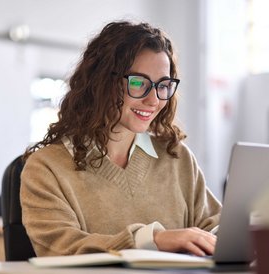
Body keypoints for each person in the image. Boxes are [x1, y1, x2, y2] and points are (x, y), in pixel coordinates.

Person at [20, 20, 221, 258]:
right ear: (101, 82)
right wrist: (152, 240)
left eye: (163, 85)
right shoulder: (46, 168)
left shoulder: (177, 158)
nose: (154, 100)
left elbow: (214, 229)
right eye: (138, 83)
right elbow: (62, 248)